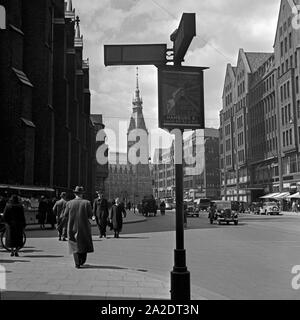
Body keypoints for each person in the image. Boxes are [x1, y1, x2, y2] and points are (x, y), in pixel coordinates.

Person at [63, 186, 94, 269]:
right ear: (82, 194)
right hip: (84, 227)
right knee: (84, 244)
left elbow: (65, 215)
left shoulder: (69, 203)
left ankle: (77, 263)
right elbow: (90, 215)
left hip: (72, 227)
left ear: (75, 194)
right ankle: (82, 261)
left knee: (74, 244)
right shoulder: (87, 203)